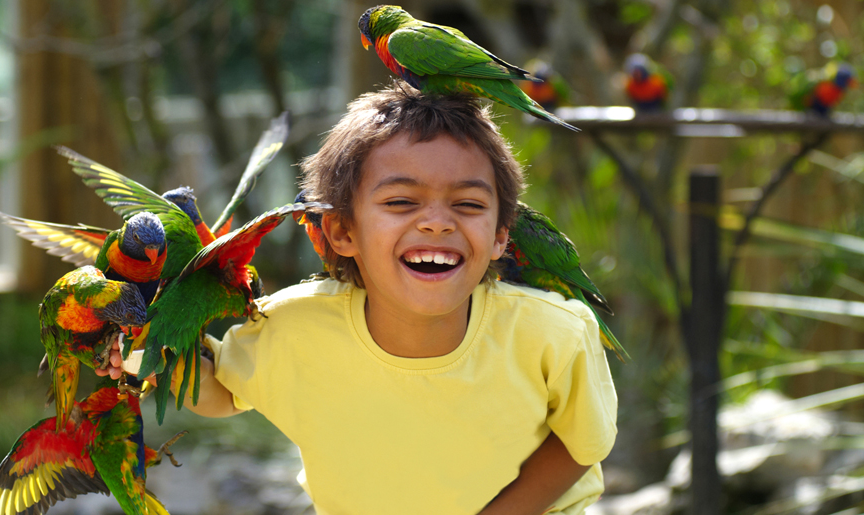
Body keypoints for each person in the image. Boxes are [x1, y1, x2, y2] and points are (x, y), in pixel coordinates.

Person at [101, 82, 618, 515]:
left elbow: (582, 445)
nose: (437, 221)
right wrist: (141, 351)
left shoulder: (554, 334)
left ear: (501, 235)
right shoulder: (294, 326)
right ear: (342, 231)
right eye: (401, 201)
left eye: (466, 203)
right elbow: (222, 391)